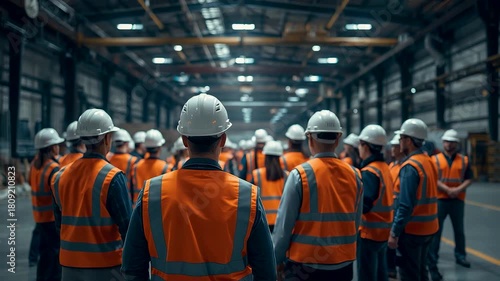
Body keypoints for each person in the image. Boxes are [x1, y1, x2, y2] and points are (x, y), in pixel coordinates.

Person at [121, 93, 276, 280]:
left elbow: (132, 266)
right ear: (223, 140)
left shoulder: (151, 193)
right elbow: (266, 270)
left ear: (185, 140)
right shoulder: (246, 195)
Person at [273, 110, 363, 281]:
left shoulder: (300, 175)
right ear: (338, 139)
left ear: (310, 139)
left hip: (305, 265)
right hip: (343, 263)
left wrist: (277, 260)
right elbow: (356, 221)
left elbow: (284, 227)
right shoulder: (355, 175)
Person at [51, 109, 131, 281]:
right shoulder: (112, 177)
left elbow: (59, 224)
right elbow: (127, 229)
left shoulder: (59, 176)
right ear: (108, 138)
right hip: (106, 267)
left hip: (69, 266)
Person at [388, 118, 439, 281]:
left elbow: (405, 205)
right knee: (421, 272)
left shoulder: (410, 167)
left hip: (413, 231)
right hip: (429, 228)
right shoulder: (428, 161)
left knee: (409, 274)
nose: (400, 141)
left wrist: (395, 232)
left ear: (409, 141)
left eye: (402, 138)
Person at [428, 129, 473, 281]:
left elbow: (469, 178)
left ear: (456, 144)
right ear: (443, 143)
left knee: (459, 230)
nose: (449, 144)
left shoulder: (464, 160)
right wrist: (447, 189)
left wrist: (457, 190)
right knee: (436, 231)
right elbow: (433, 178)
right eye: (447, 142)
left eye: (452, 142)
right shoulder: (434, 160)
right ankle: (433, 257)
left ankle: (461, 256)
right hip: (440, 199)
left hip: (457, 200)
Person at [357, 125, 394, 281]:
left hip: (369, 233)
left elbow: (365, 205)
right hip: (383, 232)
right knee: (380, 274)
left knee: (367, 275)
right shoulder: (384, 167)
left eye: (360, 144)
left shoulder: (369, 172)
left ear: (365, 146)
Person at [29, 128, 64, 281]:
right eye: (56, 145)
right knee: (54, 258)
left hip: (39, 217)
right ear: (51, 148)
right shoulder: (53, 168)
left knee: (44, 256)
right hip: (51, 219)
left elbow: (31, 183)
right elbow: (59, 194)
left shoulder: (34, 165)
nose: (58, 147)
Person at [251, 140, 288, 232]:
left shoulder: (257, 174)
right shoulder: (287, 175)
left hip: (262, 220)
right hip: (281, 219)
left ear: (265, 156)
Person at [131, 129, 168, 204]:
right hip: (156, 209)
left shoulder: (136, 166)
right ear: (160, 147)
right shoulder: (165, 167)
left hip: (138, 208)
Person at [387, 133, 403, 279]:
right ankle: (392, 267)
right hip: (391, 209)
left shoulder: (405, 167)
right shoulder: (391, 166)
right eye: (392, 146)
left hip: (400, 209)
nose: (393, 149)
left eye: (396, 146)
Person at [108, 129, 139, 201]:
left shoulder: (108, 158)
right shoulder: (133, 160)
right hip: (126, 197)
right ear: (127, 143)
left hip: (109, 196)